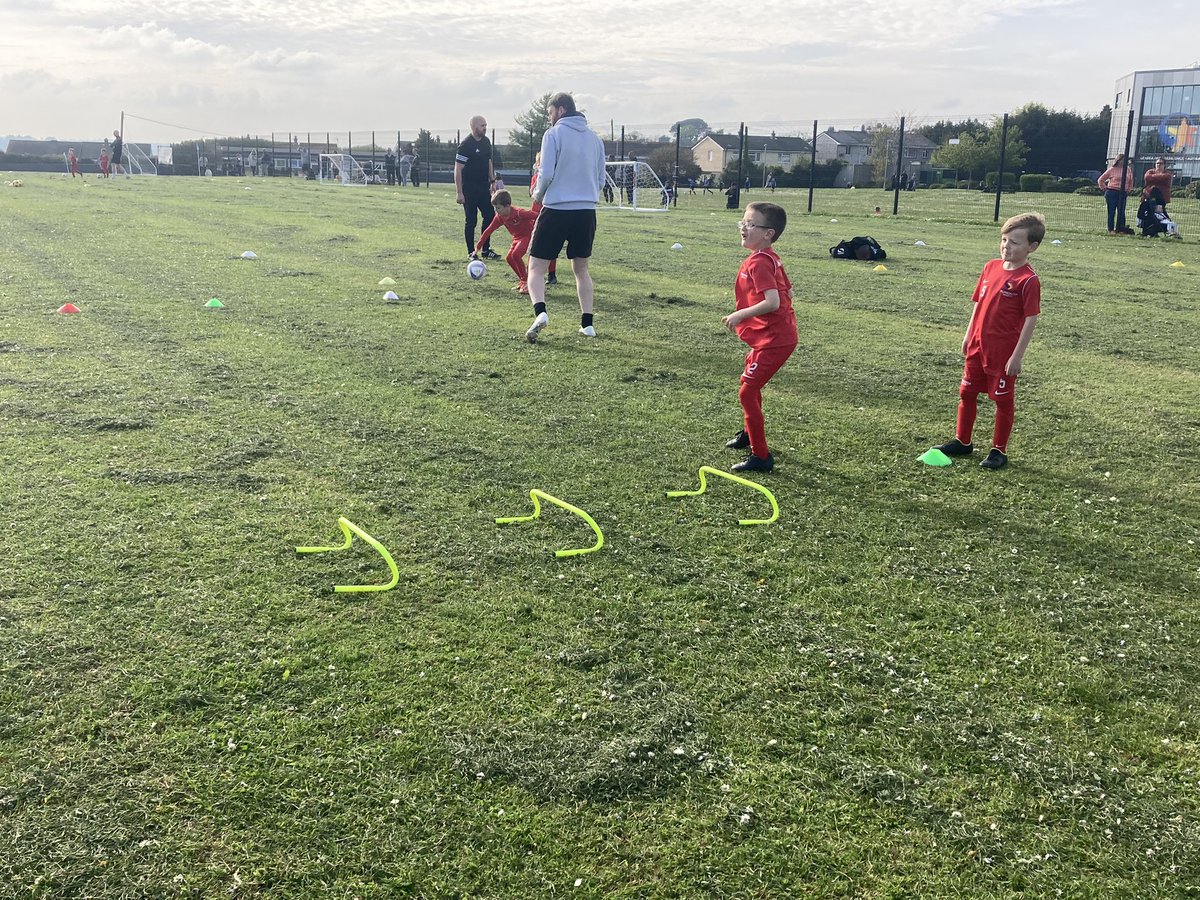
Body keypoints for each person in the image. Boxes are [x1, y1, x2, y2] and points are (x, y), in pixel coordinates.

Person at [936, 212, 1045, 471]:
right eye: (1004, 240)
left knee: (1002, 400)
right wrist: (968, 334)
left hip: (1003, 353)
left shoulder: (1028, 280)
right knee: (967, 392)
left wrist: (1017, 356)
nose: (1007, 246)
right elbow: (978, 304)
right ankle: (963, 441)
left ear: (1031, 247)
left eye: (1015, 242)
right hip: (977, 345)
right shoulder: (990, 267)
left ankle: (998, 450)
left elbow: (1030, 319)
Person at [720, 202, 797, 474]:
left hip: (775, 341)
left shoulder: (761, 262)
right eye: (743, 222)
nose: (744, 228)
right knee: (748, 385)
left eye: (751, 224)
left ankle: (761, 457)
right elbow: (787, 292)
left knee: (748, 391)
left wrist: (740, 314)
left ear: (768, 233)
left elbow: (773, 301)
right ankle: (749, 434)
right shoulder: (767, 257)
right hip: (769, 337)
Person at [525, 91, 606, 343]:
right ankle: (587, 324)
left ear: (561, 110)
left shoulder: (553, 134)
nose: (549, 118)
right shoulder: (595, 139)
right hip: (586, 212)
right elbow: (601, 178)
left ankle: (540, 312)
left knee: (535, 267)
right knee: (581, 269)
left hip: (556, 209)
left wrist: (537, 195)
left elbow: (546, 173)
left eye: (550, 113)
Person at [473, 190, 540, 293]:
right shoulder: (499, 217)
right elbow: (489, 230)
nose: (496, 211)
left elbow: (537, 215)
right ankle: (523, 281)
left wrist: (539, 228)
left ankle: (526, 282)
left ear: (507, 206)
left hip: (528, 236)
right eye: (495, 208)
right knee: (509, 258)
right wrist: (478, 247)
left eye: (498, 208)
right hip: (517, 238)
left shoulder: (519, 213)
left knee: (516, 255)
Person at [455, 115, 499, 260]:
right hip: (469, 188)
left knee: (490, 215)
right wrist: (459, 192)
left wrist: (492, 180)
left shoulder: (486, 142)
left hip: (483, 186)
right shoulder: (466, 145)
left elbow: (488, 162)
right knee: (471, 220)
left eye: (486, 125)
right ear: (474, 127)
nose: (485, 128)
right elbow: (458, 169)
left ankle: (486, 249)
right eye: (482, 125)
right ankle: (471, 252)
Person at [531, 152, 558, 285]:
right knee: (535, 245)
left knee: (550, 244)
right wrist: (537, 182)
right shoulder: (535, 177)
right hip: (535, 213)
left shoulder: (554, 178)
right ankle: (533, 273)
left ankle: (552, 274)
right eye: (540, 162)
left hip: (549, 213)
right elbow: (532, 193)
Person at [1098, 154, 1134, 234]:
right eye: (1122, 160)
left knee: (1121, 212)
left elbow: (1131, 180)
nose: (1124, 161)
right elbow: (1101, 179)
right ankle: (1111, 229)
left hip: (1123, 193)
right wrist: (1104, 188)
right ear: (1118, 160)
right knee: (1111, 211)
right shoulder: (1112, 169)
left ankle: (1121, 229)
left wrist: (1129, 189)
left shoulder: (1128, 169)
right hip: (1112, 192)